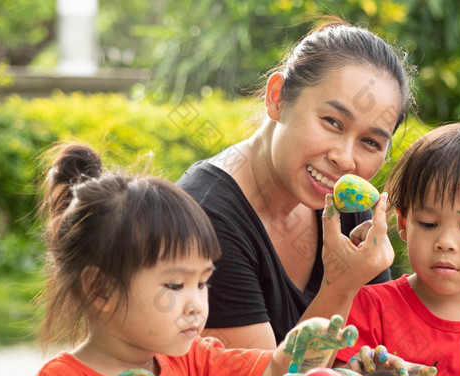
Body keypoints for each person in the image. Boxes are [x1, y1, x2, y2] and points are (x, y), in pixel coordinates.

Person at [10, 143, 434, 376]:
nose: (197, 303)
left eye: (203, 282)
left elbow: (273, 371)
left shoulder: (196, 361)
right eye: (175, 286)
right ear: (99, 289)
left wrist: (305, 345)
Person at [177, 17, 414, 350]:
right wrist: (340, 285)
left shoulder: (344, 203)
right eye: (333, 122)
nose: (345, 159)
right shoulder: (205, 218)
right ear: (277, 98)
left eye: (371, 143)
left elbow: (375, 351)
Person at [336, 116, 460, 376]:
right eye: (428, 223)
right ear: (404, 224)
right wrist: (360, 375)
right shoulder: (370, 307)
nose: (446, 242)